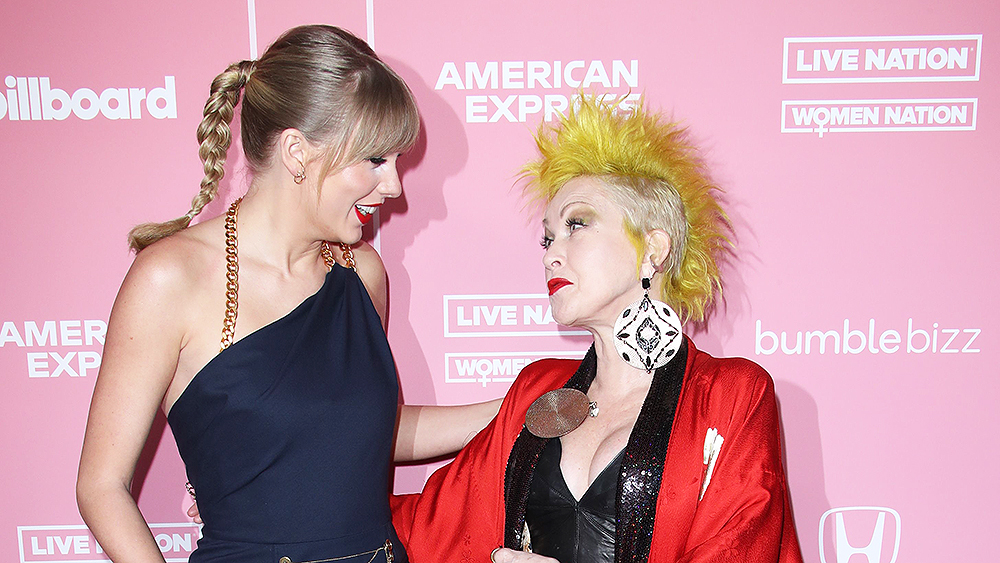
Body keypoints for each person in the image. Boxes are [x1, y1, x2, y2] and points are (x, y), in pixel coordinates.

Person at [76, 25, 497, 563]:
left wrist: (521, 404)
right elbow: (101, 486)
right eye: (374, 160)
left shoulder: (363, 274)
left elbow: (364, 433)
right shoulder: (172, 279)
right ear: (296, 150)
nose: (394, 187)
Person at [390, 96, 804, 563]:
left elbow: (740, 551)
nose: (551, 254)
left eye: (577, 225)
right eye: (547, 237)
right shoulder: (536, 389)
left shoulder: (732, 396)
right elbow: (427, 527)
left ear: (653, 249)